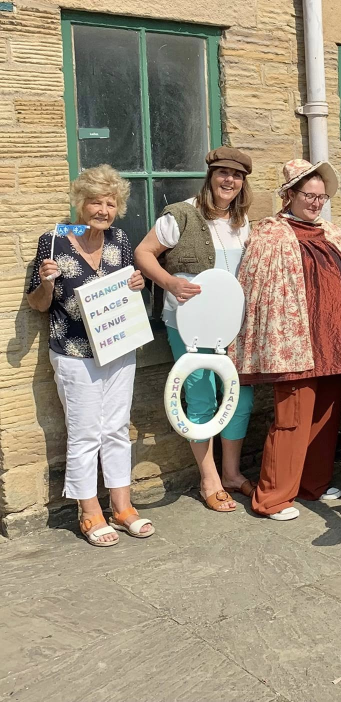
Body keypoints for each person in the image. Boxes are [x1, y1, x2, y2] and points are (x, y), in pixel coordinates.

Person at [232, 160, 341, 521]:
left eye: (321, 196)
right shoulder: (270, 233)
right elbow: (254, 289)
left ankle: (313, 484)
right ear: (289, 195)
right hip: (293, 343)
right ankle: (273, 498)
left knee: (326, 416)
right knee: (292, 418)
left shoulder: (333, 233)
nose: (315, 202)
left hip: (333, 340)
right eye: (308, 195)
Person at [26, 165, 153, 546]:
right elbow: (38, 304)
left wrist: (137, 284)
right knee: (84, 434)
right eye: (95, 201)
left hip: (117, 347)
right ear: (80, 203)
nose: (103, 210)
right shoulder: (54, 240)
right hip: (74, 352)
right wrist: (46, 281)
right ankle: (89, 511)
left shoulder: (119, 240)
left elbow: (131, 295)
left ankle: (123, 505)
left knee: (116, 427)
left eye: (110, 203)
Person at [134, 147, 255, 513]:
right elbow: (143, 252)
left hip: (230, 325)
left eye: (236, 176)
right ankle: (209, 479)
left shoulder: (241, 221)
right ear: (210, 175)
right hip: (189, 325)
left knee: (240, 398)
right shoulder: (181, 215)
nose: (228, 180)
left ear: (242, 183)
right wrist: (169, 282)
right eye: (222, 173)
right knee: (201, 397)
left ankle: (232, 473)